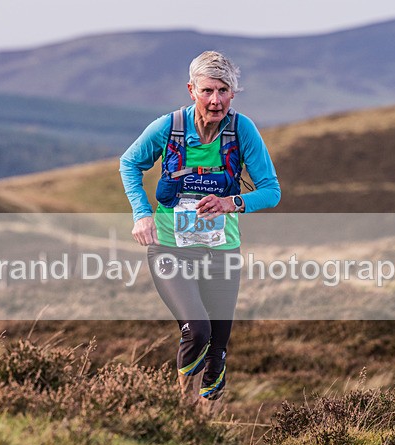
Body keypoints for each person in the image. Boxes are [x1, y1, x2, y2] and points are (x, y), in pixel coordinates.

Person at [119, 50, 280, 409]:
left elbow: (271, 190)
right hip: (170, 247)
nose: (215, 100)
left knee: (218, 349)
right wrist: (141, 214)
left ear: (233, 94)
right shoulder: (169, 127)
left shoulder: (242, 130)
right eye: (208, 90)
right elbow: (129, 163)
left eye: (223, 91)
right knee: (198, 329)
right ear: (191, 90)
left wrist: (230, 203)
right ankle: (184, 413)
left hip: (221, 250)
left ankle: (209, 424)